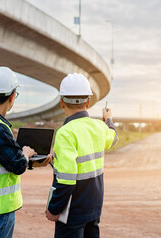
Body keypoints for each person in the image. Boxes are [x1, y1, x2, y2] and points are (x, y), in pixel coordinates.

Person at [0, 66, 51, 238]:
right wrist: (27, 153)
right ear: (12, 96)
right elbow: (17, 164)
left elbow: (0, 159)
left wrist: (31, 160)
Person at [45, 73, 118, 238]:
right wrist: (109, 120)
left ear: (62, 102)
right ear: (88, 102)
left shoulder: (65, 133)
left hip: (72, 213)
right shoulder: (99, 127)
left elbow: (66, 180)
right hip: (93, 209)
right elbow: (113, 137)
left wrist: (53, 208)